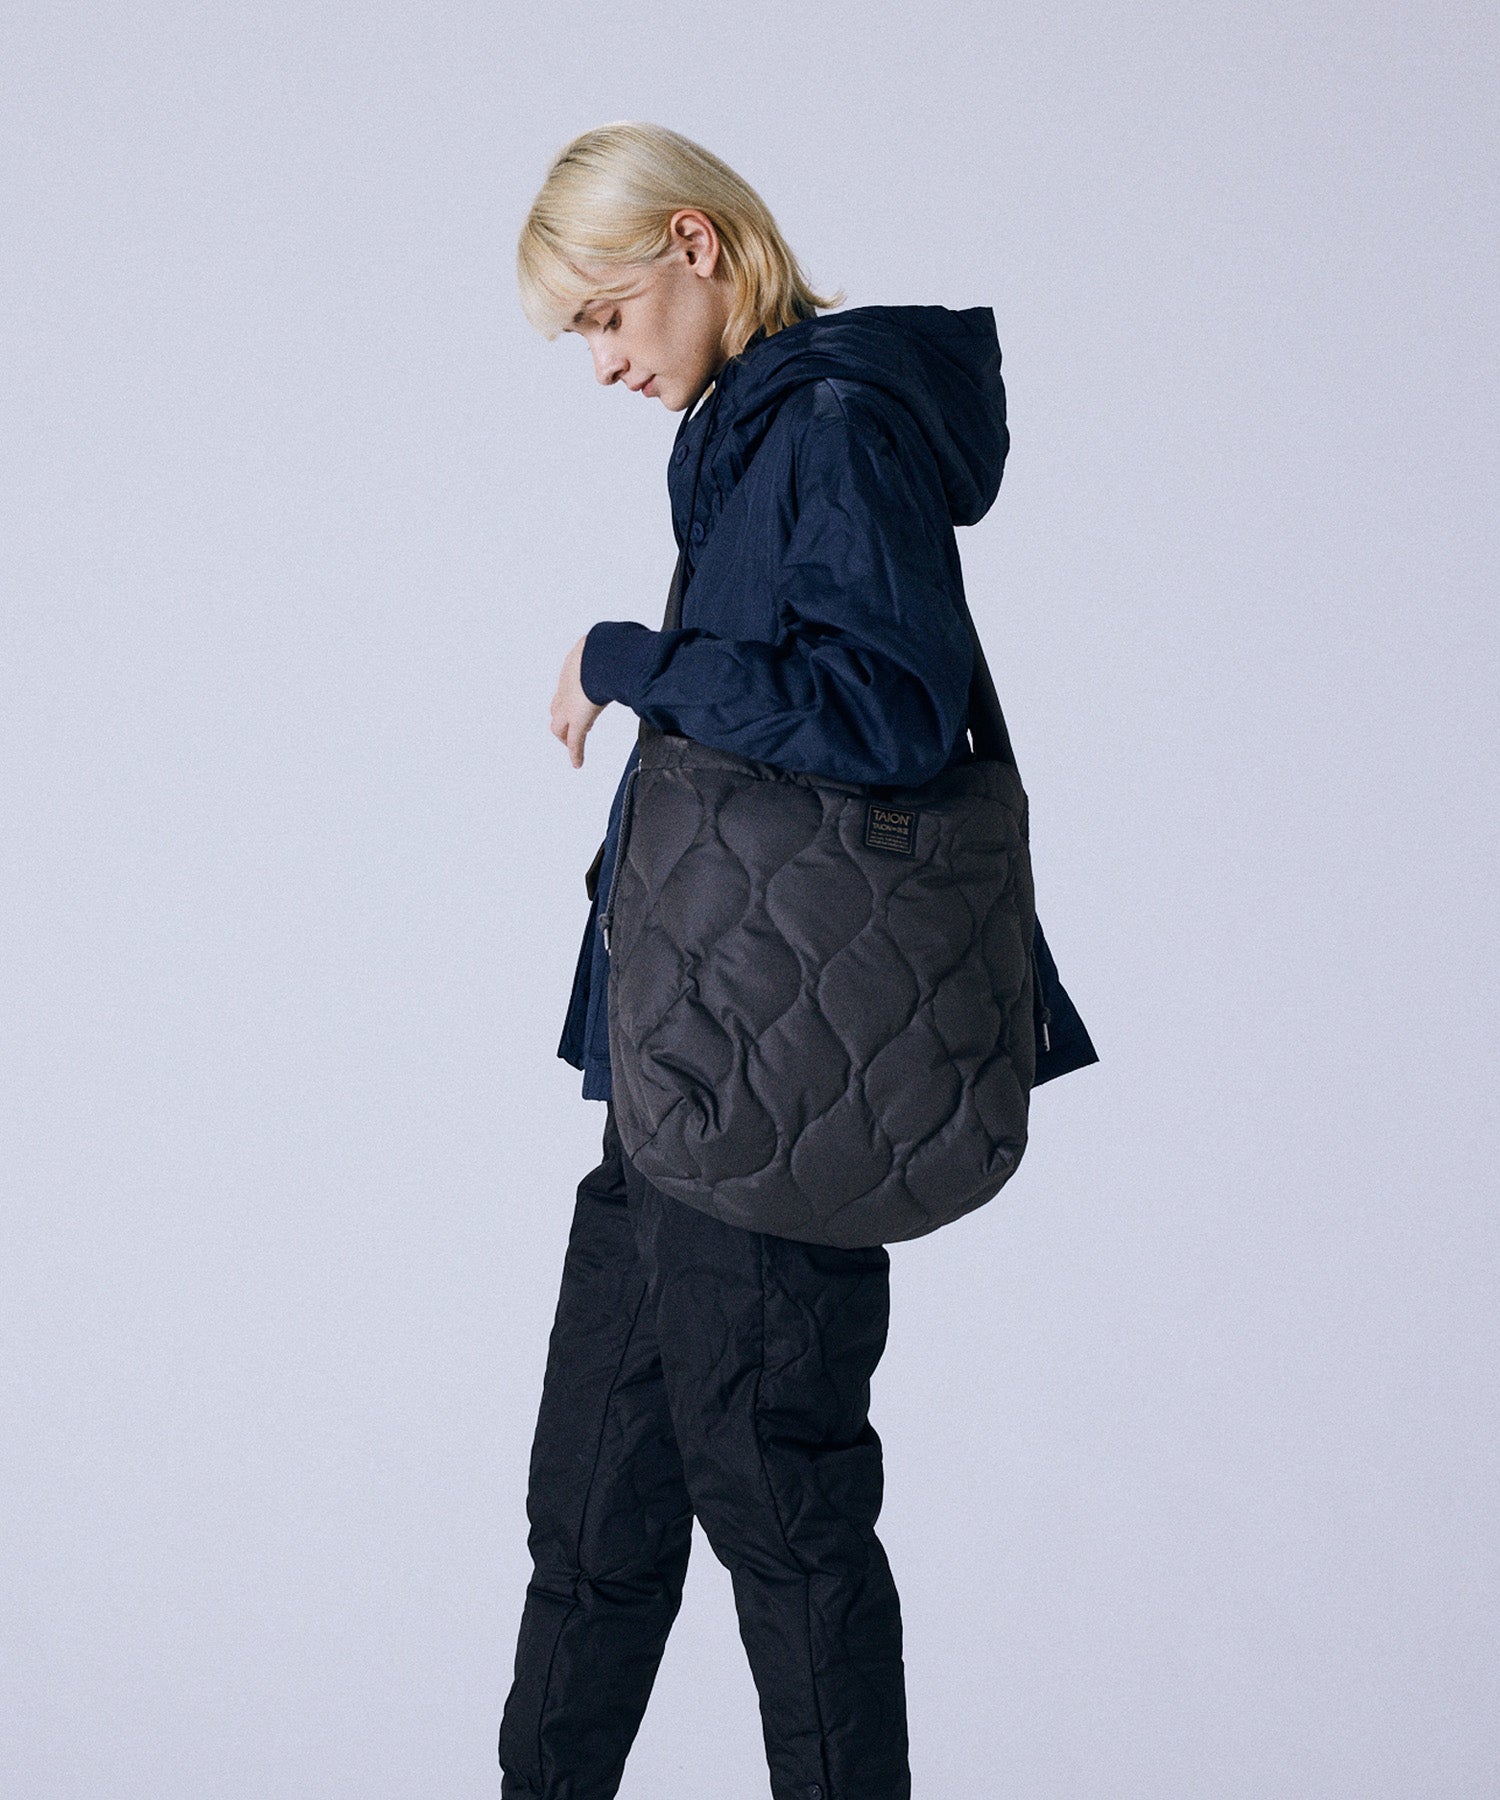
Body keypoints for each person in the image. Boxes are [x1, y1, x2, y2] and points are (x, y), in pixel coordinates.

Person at [502, 121, 1094, 1800]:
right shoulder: (750, 433)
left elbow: (889, 715)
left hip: (775, 1092)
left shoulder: (830, 427)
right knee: (592, 1522)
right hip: (683, 1078)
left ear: (695, 244)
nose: (605, 364)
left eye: (607, 316)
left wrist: (633, 656)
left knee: (787, 1524)